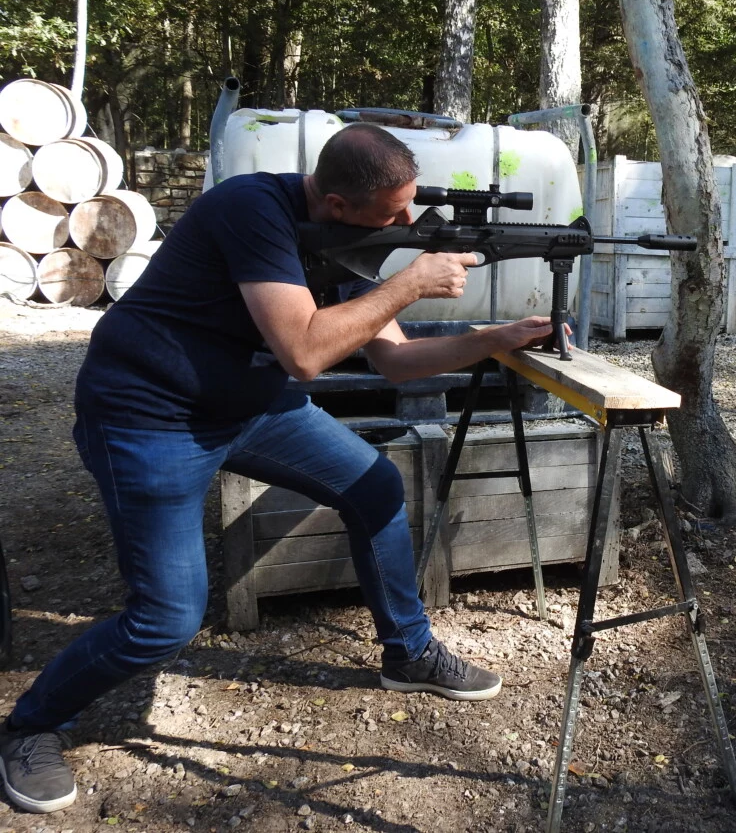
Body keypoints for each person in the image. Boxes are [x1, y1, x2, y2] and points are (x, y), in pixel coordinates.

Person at [0, 124, 558, 814]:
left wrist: (494, 340)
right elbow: (303, 353)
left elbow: (395, 359)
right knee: (166, 620)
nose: (408, 224)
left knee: (375, 485)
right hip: (149, 417)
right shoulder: (249, 209)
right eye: (394, 213)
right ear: (335, 204)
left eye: (410, 207)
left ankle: (408, 653)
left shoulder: (348, 235)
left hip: (245, 407)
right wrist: (411, 283)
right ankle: (30, 727)